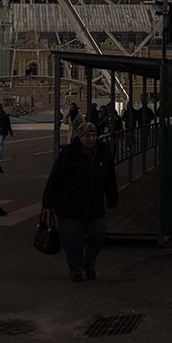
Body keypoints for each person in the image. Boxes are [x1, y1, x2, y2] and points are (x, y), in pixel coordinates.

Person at [42, 121, 119, 283]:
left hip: (94, 205)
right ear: (80, 137)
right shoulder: (69, 154)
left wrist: (112, 200)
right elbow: (56, 177)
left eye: (94, 135)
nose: (91, 139)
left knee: (97, 233)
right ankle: (76, 270)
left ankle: (89, 265)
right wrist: (48, 201)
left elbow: (110, 180)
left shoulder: (104, 154)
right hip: (69, 206)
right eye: (87, 136)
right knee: (72, 241)